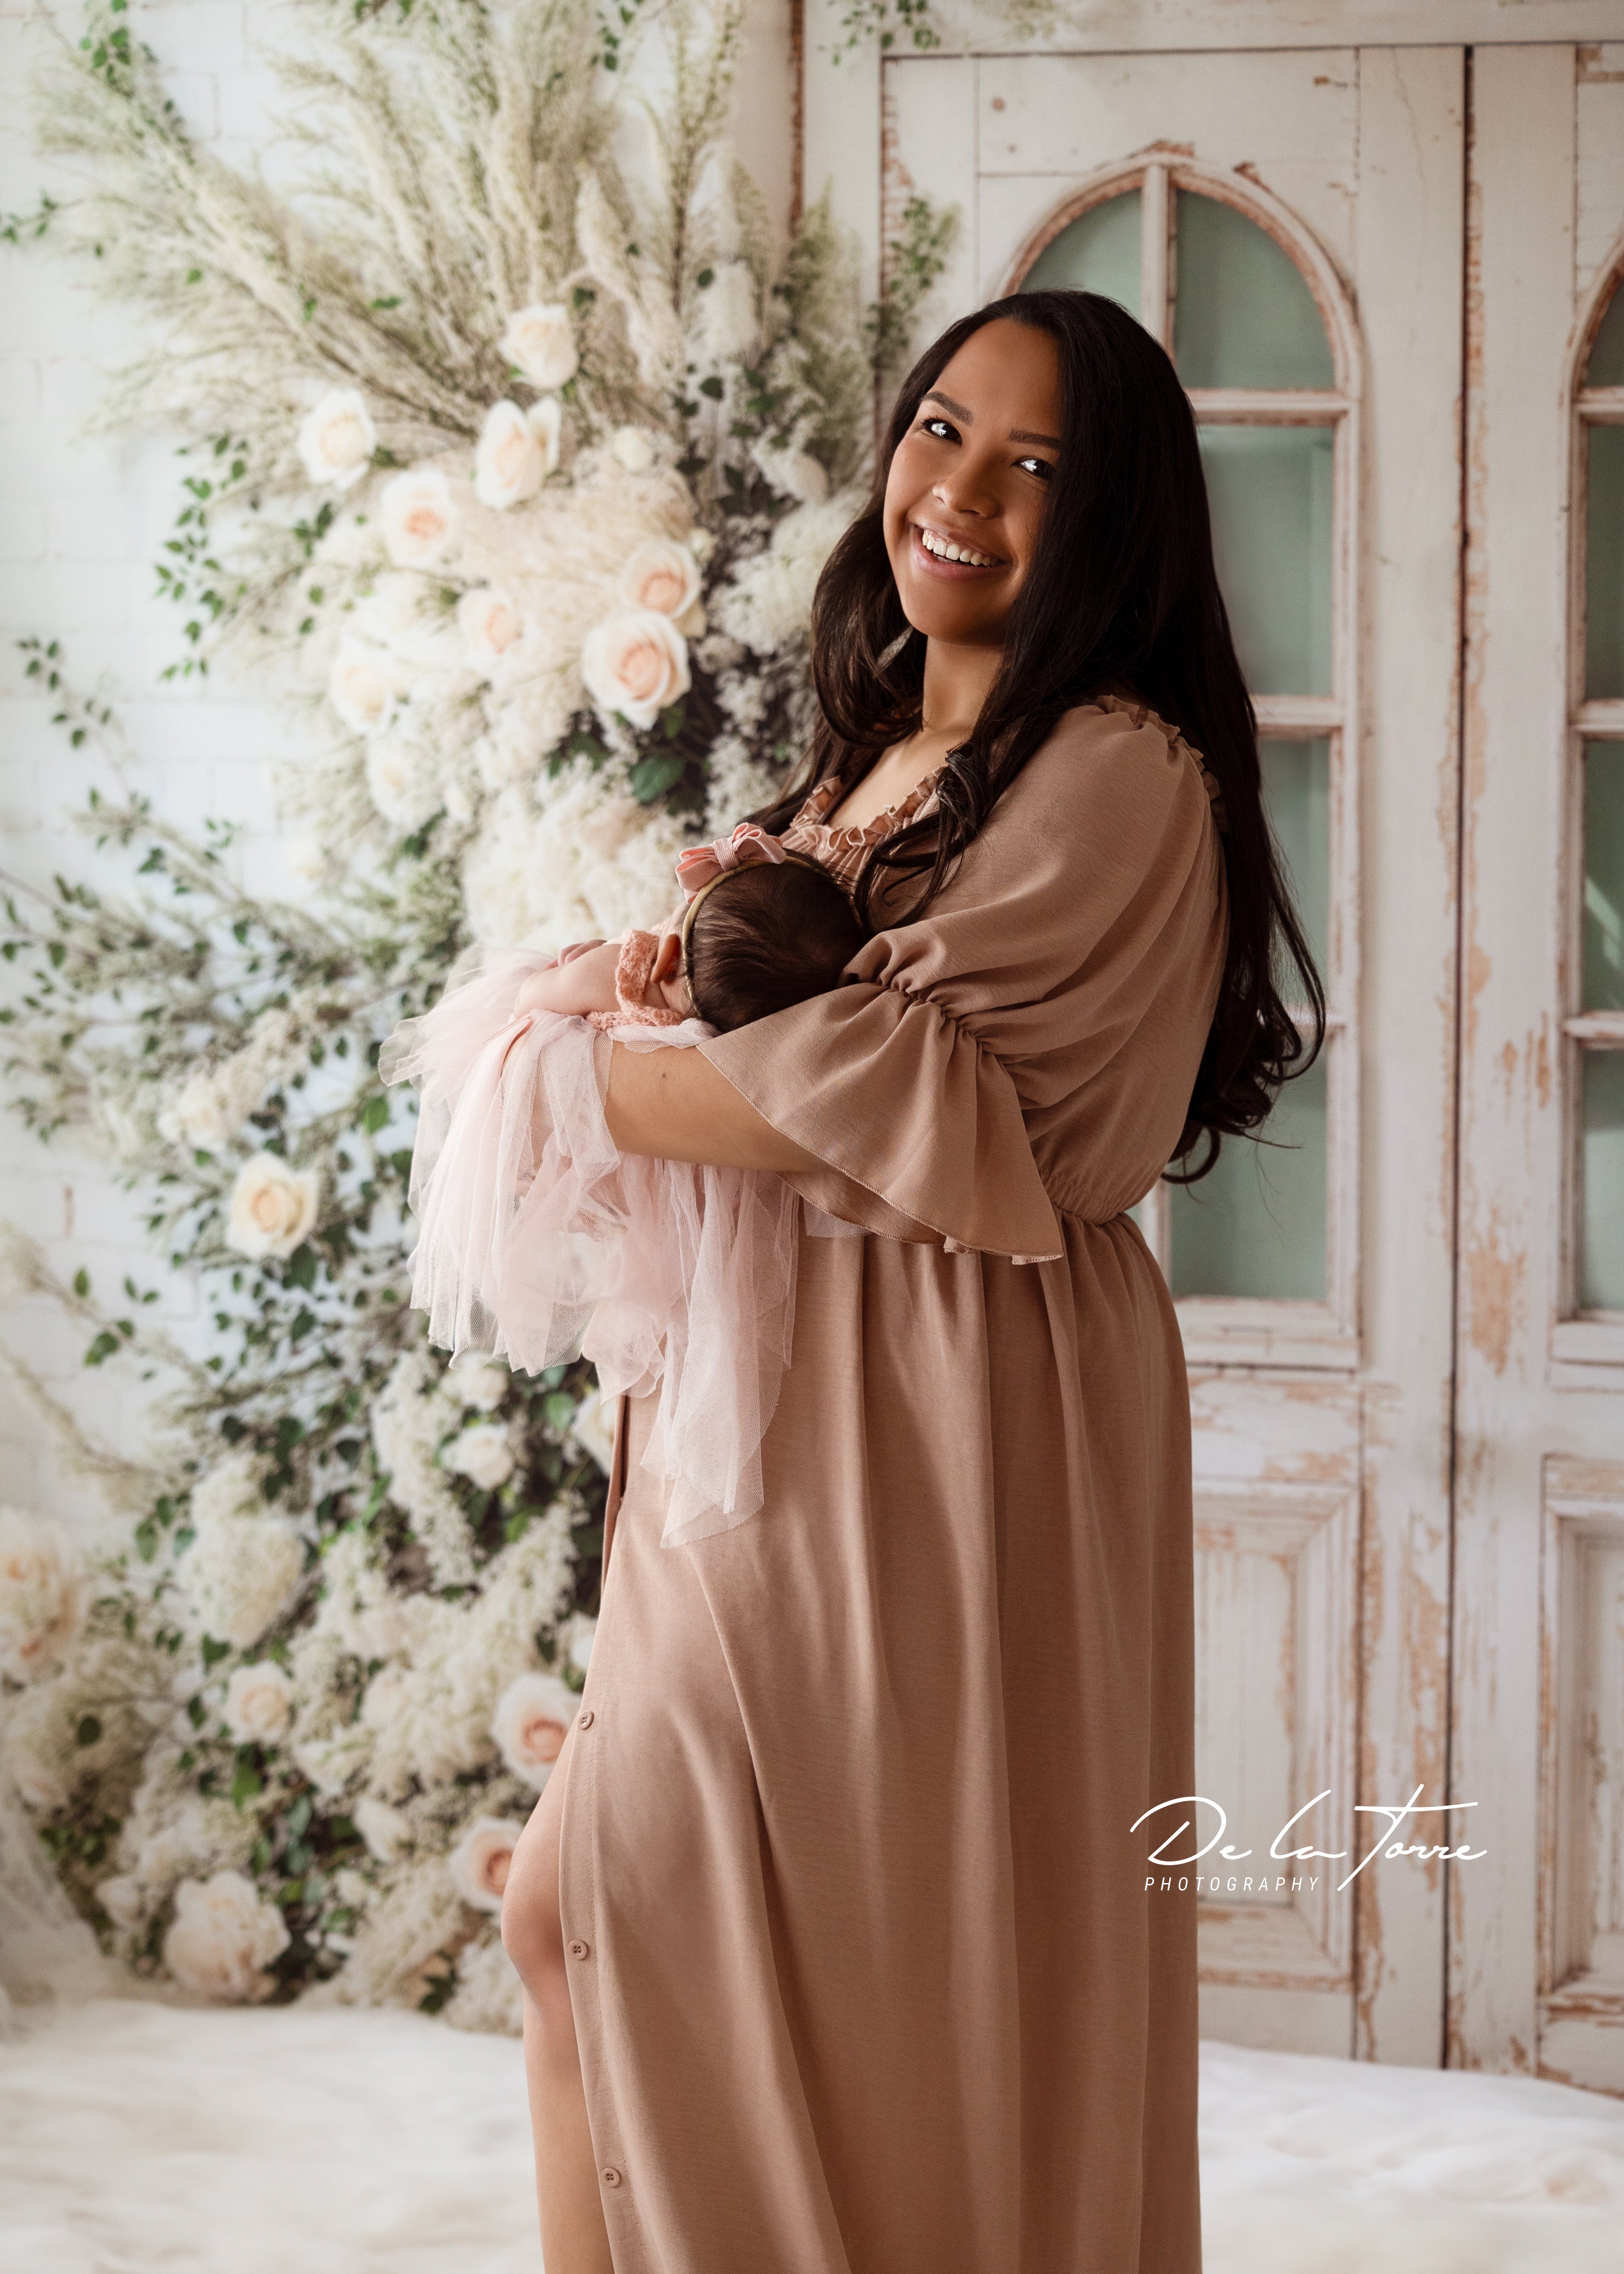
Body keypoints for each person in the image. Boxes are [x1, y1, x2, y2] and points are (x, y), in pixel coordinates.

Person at [498, 288, 1324, 2274]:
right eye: (941, 428)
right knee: (577, 1912)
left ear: (1113, 520)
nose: (956, 491)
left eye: (1033, 465)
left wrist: (562, 1069)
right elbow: (786, 1047)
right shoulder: (873, 757)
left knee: (856, 1960)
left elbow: (872, 1100)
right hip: (769, 1398)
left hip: (939, 1399)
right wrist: (644, 1022)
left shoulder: (1117, 767)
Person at [381, 827, 867, 1538]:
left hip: (589, 1113)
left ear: (670, 947)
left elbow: (533, 999)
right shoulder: (732, 1057)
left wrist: (574, 968)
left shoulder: (626, 963)